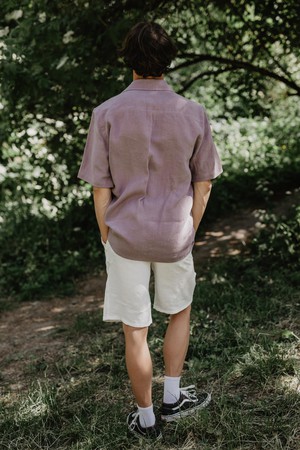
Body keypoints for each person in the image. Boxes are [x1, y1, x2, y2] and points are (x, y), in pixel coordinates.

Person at [78, 21, 222, 441]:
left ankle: (145, 420)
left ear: (129, 62)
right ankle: (173, 398)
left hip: (124, 236)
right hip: (175, 233)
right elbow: (205, 183)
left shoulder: (105, 113)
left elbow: (100, 187)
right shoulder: (192, 113)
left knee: (134, 329)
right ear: (167, 61)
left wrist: (107, 234)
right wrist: (189, 227)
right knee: (179, 310)